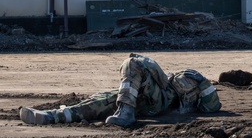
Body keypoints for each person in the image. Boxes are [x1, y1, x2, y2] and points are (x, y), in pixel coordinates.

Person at [19, 53, 221, 127]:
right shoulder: (174, 78)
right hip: (144, 100)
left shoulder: (192, 78)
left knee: (133, 63)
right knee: (100, 101)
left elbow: (213, 106)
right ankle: (50, 117)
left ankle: (125, 112)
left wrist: (201, 83)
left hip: (161, 102)